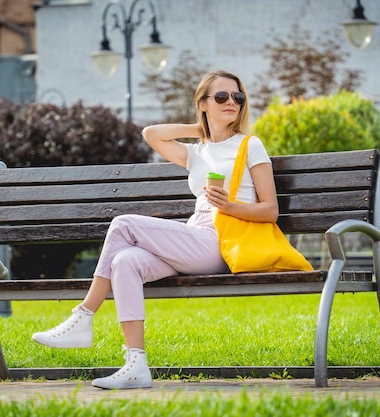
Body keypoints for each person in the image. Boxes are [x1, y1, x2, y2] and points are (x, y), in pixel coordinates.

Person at [31, 70, 278, 390]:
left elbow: (270, 210)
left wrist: (230, 206)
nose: (231, 102)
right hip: (196, 234)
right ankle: (136, 364)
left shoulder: (250, 144)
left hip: (223, 239)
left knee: (123, 224)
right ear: (202, 103)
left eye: (237, 97)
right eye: (221, 97)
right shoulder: (197, 152)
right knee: (126, 261)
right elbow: (152, 133)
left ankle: (84, 315)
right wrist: (203, 127)